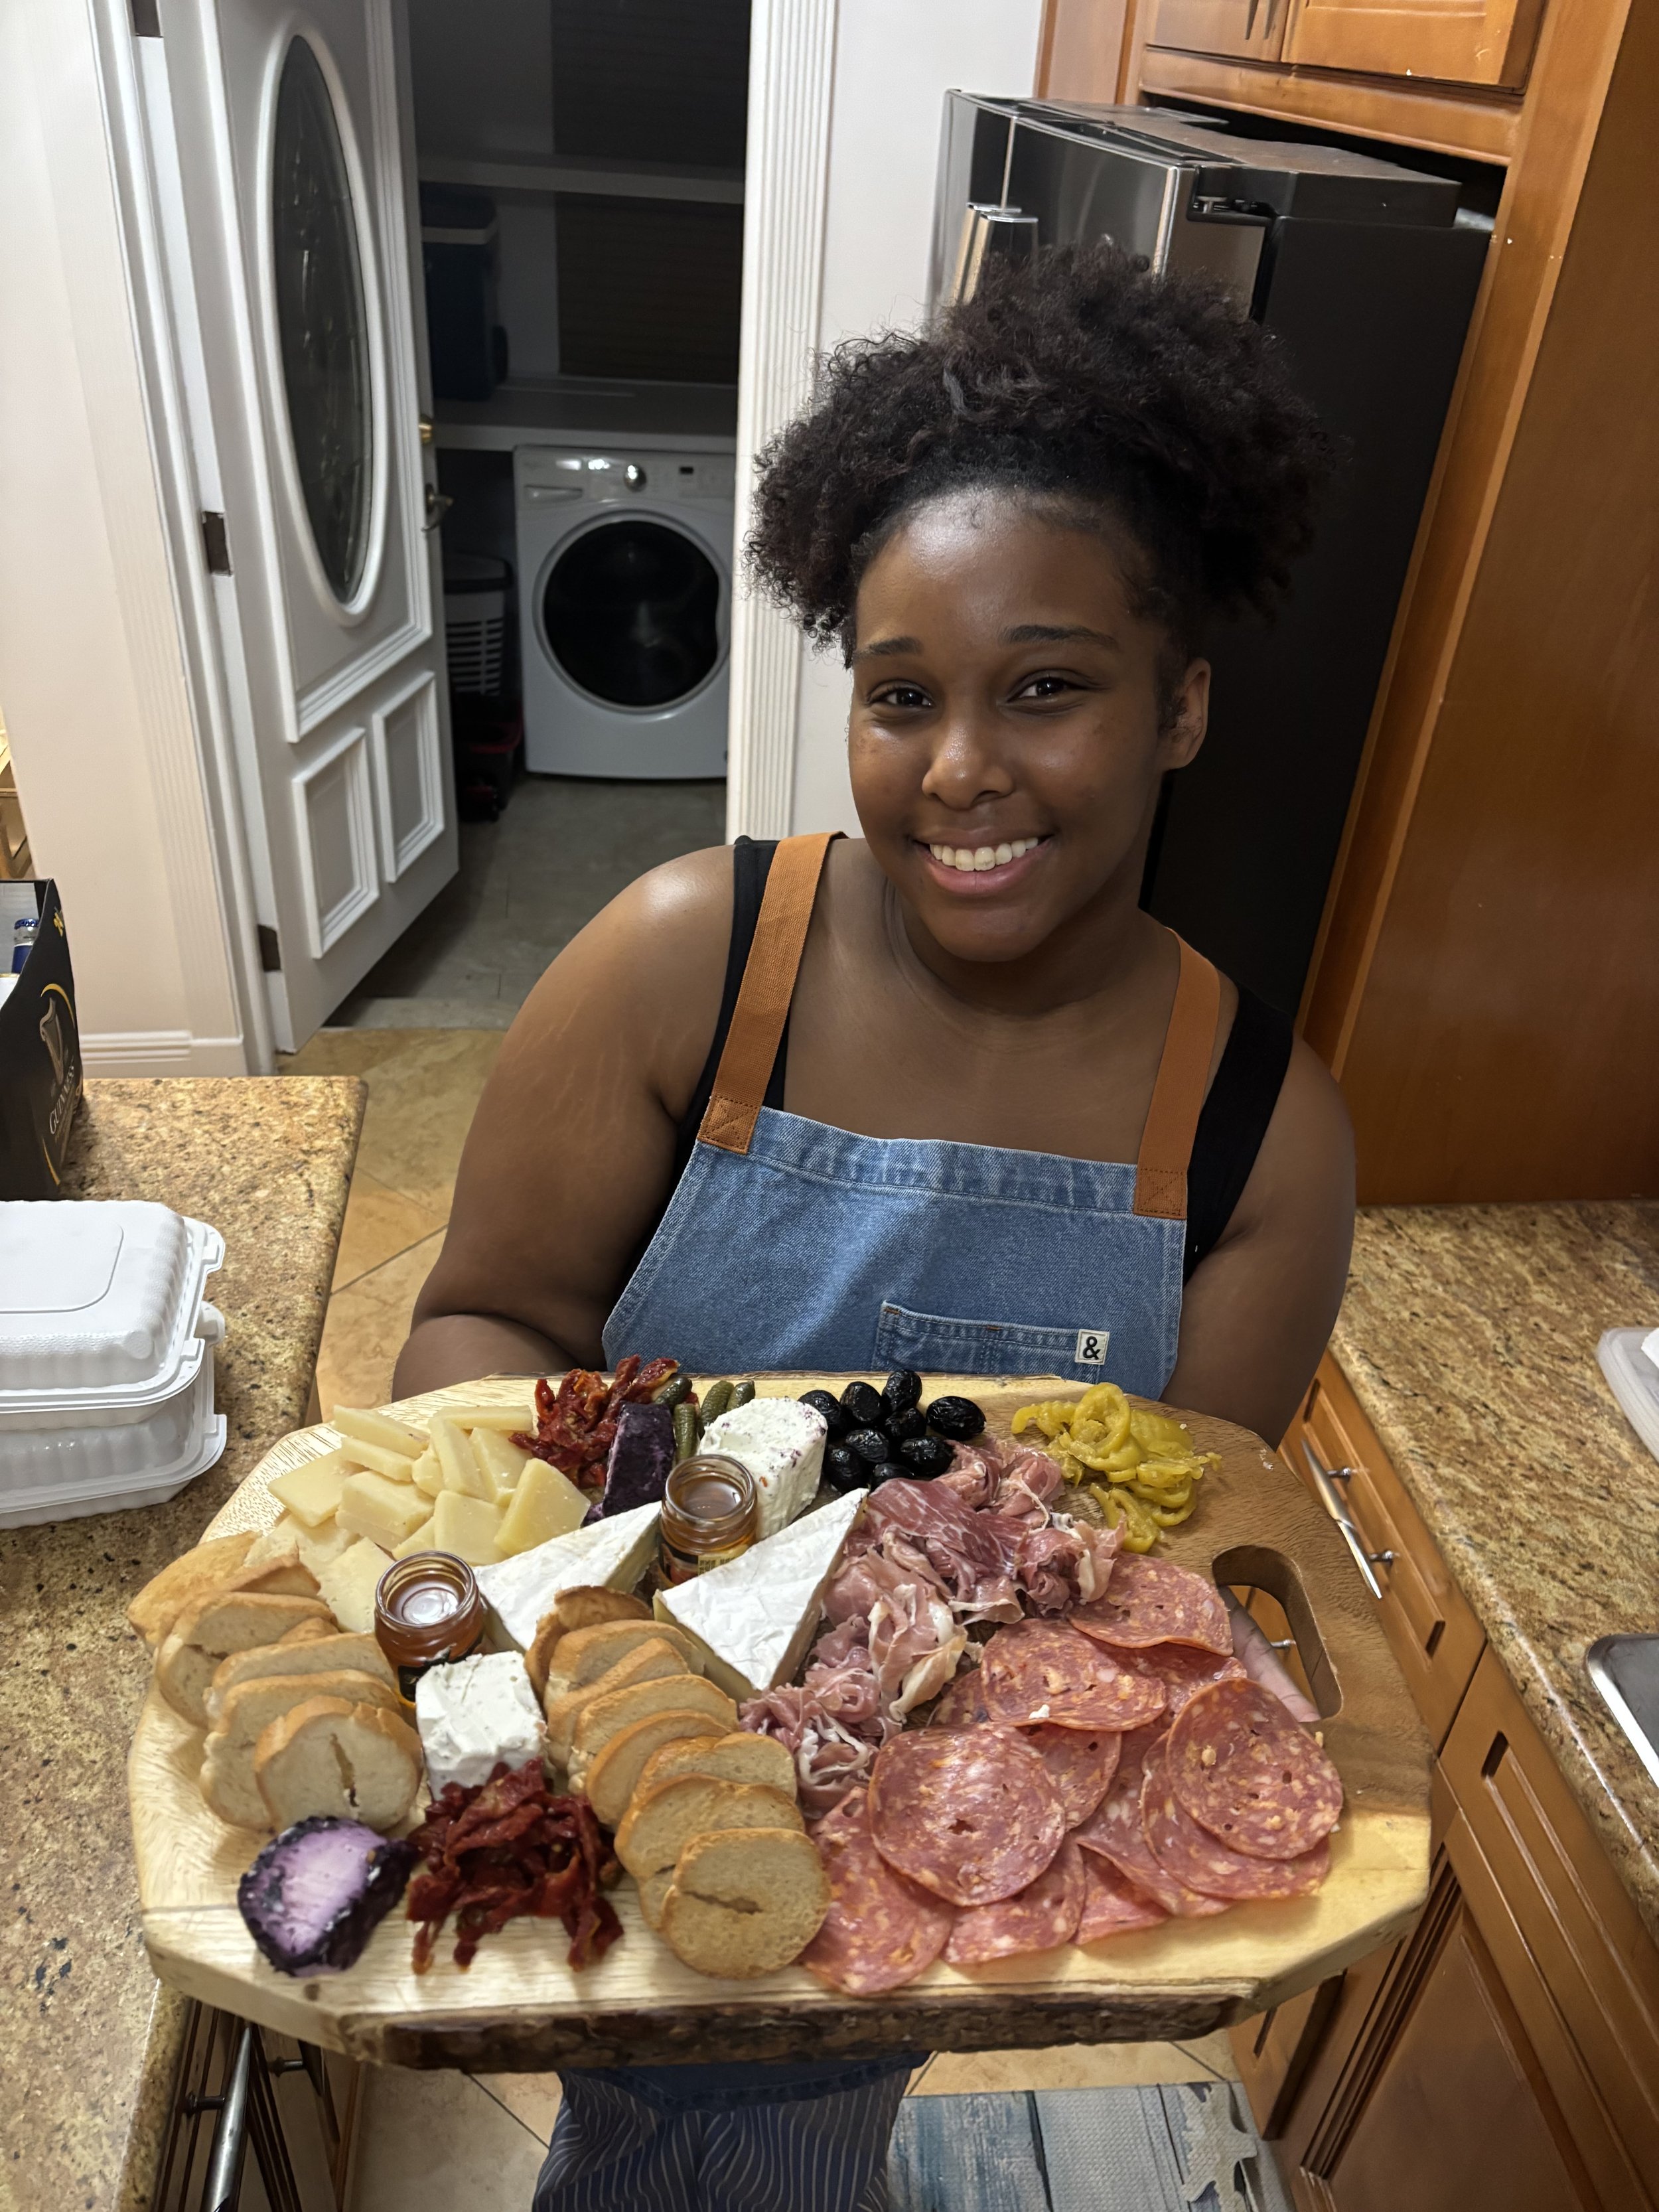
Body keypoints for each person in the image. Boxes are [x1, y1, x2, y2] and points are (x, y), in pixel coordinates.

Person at [395, 241, 1351, 2212]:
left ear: (1178, 706)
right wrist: (600, 1647)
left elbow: (1155, 1552)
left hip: (943, 1783)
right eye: (901, 695)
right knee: (675, 2125)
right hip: (628, 1719)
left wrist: (919, 1755)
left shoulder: (1260, 1133)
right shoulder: (686, 961)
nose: (963, 770)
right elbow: (481, 1324)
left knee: (803, 2111)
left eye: (1048, 691)